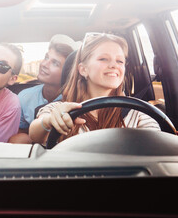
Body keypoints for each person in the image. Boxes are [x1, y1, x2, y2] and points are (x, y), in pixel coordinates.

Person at [29, 32, 163, 145]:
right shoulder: (60, 110)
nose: (113, 65)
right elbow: (35, 134)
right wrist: (48, 121)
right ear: (83, 69)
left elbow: (155, 146)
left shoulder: (138, 114)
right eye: (104, 59)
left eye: (120, 61)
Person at [9, 34, 79, 144]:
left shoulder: (76, 99)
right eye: (46, 57)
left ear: (68, 73)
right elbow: (20, 132)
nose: (44, 64)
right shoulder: (24, 96)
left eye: (55, 63)